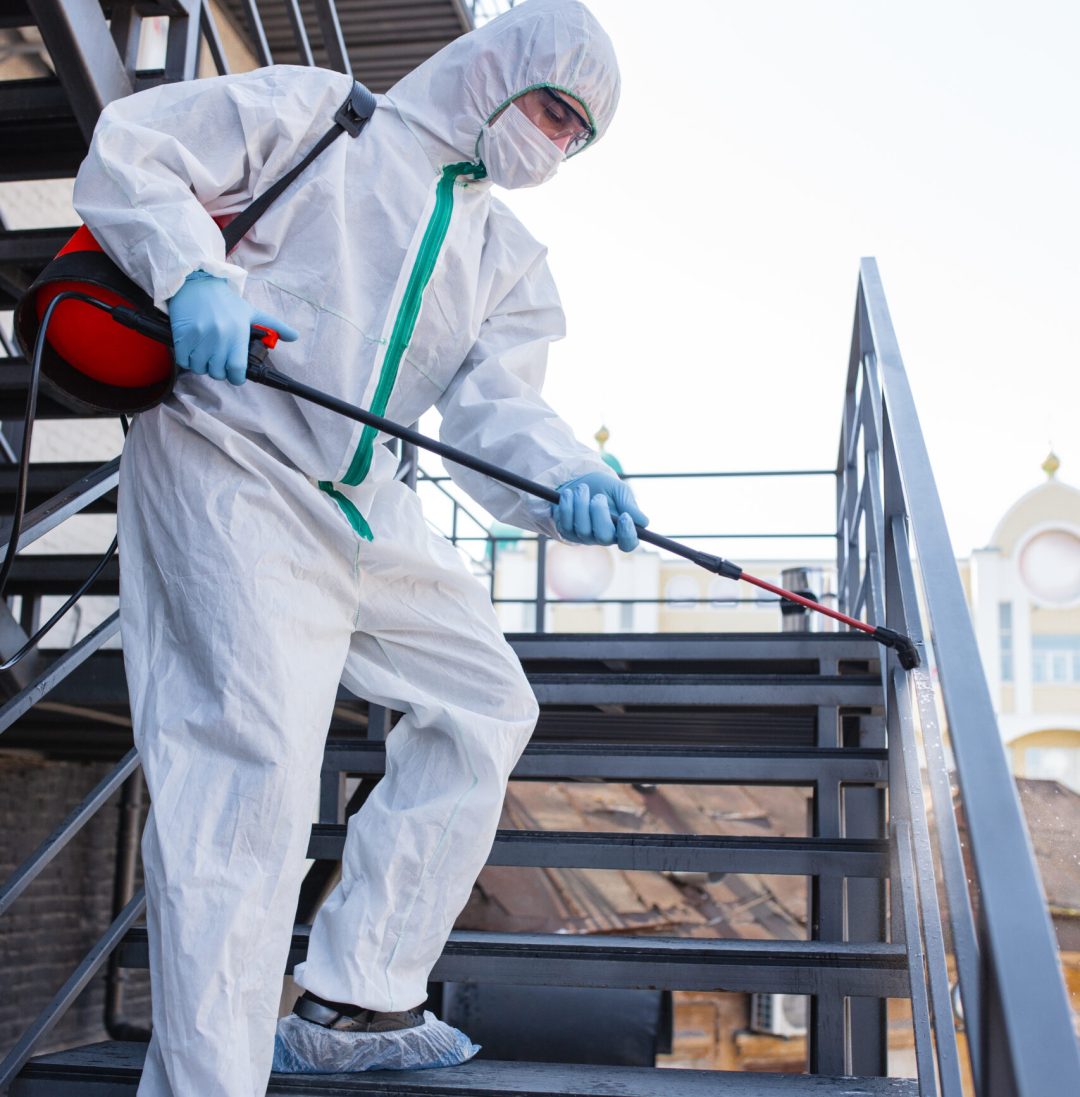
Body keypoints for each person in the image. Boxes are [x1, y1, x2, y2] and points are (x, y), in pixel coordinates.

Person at [72, 1, 647, 1093]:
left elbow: (495, 416)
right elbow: (137, 147)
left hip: (362, 500)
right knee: (246, 796)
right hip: (228, 463)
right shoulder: (318, 116)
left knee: (484, 699)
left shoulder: (506, 256)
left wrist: (568, 475)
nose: (556, 145)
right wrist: (193, 270)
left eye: (578, 137)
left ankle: (358, 987)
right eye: (552, 109)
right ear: (493, 69)